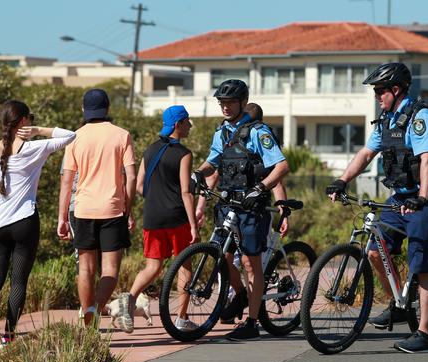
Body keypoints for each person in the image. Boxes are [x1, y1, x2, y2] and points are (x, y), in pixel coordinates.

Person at [327, 63, 428, 353]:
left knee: (422, 266)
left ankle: (424, 333)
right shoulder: (386, 120)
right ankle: (398, 303)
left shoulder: (419, 117)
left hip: (427, 199)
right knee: (374, 250)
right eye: (375, 91)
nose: (376, 96)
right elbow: (367, 153)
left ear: (397, 90)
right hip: (400, 197)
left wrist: (421, 197)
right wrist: (342, 179)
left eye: (380, 91)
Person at [193, 79, 290, 340]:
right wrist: (198, 174)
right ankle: (244, 295)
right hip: (228, 204)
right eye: (222, 103)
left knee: (250, 263)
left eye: (230, 102)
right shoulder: (221, 132)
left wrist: (260, 188)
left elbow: (281, 167)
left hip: (251, 207)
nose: (225, 107)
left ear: (243, 103)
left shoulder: (258, 132)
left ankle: (252, 322)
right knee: (223, 256)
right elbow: (212, 161)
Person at [0, 100, 76, 352]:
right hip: (24, 222)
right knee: (19, 281)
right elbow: (70, 136)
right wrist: (38, 131)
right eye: (29, 118)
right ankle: (8, 335)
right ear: (22, 121)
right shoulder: (34, 148)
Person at [57, 88, 136, 327]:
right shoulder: (122, 135)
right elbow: (131, 177)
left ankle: (87, 310)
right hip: (113, 208)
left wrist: (61, 217)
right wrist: (128, 208)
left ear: (84, 109)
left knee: (85, 268)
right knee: (110, 269)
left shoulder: (75, 137)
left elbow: (67, 181)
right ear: (108, 108)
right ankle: (97, 309)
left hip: (83, 209)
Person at [118, 105, 199, 333]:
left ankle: (130, 299)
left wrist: (156, 198)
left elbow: (141, 185)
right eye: (187, 122)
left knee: (153, 266)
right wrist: (193, 225)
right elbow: (186, 191)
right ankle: (181, 319)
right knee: (185, 266)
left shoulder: (150, 150)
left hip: (152, 216)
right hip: (176, 217)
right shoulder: (184, 154)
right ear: (178, 125)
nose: (189, 126)